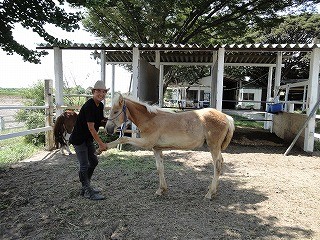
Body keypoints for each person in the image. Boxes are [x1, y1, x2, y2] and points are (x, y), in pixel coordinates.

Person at [69, 80, 109, 200]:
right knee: (84, 164)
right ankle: (87, 191)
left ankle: (86, 186)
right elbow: (91, 128)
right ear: (93, 92)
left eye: (103, 92)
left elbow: (100, 121)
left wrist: (110, 122)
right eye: (98, 91)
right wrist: (101, 144)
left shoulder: (100, 105)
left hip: (87, 139)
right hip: (79, 139)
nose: (101, 94)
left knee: (94, 162)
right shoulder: (89, 106)